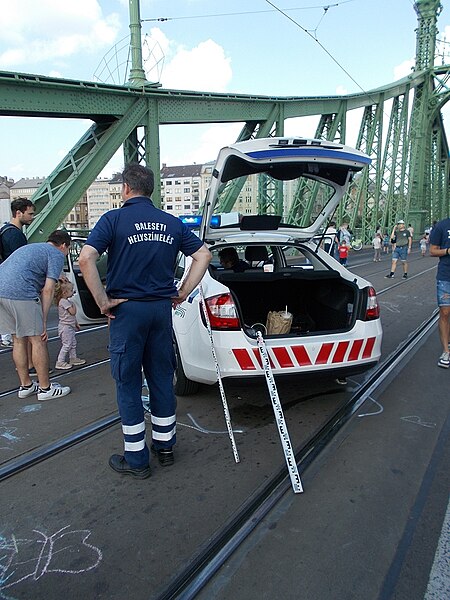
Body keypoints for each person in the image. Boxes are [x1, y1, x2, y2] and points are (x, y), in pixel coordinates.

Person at [79, 162, 211, 479]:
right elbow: (203, 255)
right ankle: (164, 447)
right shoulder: (171, 222)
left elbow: (85, 258)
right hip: (160, 310)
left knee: (127, 382)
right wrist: (182, 291)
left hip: (127, 310)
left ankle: (136, 458)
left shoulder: (113, 219)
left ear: (125, 188)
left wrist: (102, 303)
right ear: (151, 189)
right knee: (161, 377)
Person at [0, 230, 72, 400]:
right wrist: (44, 321)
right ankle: (46, 389)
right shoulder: (56, 254)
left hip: (1, 290)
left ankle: (25, 386)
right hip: (21, 292)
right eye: (68, 249)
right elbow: (47, 290)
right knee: (37, 339)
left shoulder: (34, 248)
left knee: (17, 339)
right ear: (63, 245)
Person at [0, 198, 36, 347]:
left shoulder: (4, 231)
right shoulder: (16, 235)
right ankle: (29, 367)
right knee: (26, 334)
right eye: (30, 214)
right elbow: (22, 262)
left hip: (4, 283)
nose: (32, 218)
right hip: (16, 287)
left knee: (16, 336)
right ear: (19, 213)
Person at [429, 217, 450, 368]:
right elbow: (432, 250)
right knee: (445, 312)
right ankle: (446, 351)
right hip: (446, 276)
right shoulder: (442, 225)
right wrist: (448, 250)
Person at [54, 280, 86, 370]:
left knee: (72, 343)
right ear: (65, 292)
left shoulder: (66, 301)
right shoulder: (64, 302)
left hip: (69, 326)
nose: (73, 292)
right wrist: (74, 305)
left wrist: (76, 323)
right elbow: (72, 312)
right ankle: (60, 361)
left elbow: (71, 317)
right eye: (71, 290)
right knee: (67, 344)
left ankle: (73, 358)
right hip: (65, 327)